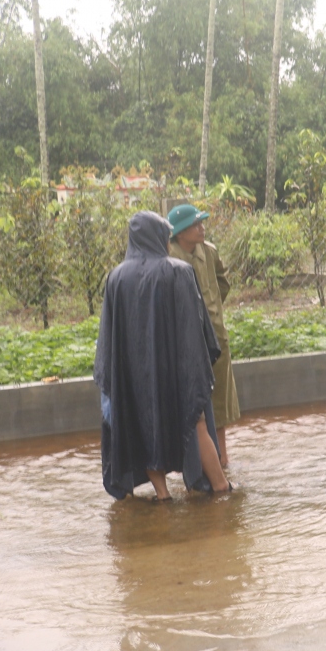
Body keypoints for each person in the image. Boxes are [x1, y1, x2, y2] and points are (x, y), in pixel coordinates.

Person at [95, 211, 230, 500]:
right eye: (164, 236)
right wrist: (198, 363)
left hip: (133, 372)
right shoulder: (178, 271)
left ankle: (162, 494)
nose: (168, 243)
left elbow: (109, 336)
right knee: (198, 422)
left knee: (142, 424)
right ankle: (221, 489)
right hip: (176, 368)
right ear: (156, 237)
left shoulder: (116, 278)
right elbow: (194, 325)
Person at [168, 203, 238, 468]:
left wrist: (212, 316)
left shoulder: (208, 252)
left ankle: (221, 458)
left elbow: (222, 283)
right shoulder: (169, 259)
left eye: (201, 223)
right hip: (186, 341)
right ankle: (198, 463)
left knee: (220, 399)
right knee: (193, 401)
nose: (202, 228)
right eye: (195, 224)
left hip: (216, 337)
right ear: (180, 232)